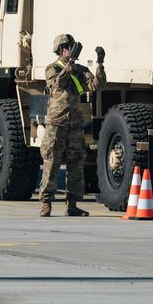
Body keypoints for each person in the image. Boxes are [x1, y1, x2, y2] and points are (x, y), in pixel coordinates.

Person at [39, 33, 106, 217]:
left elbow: (96, 85)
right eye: (68, 47)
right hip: (56, 123)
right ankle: (46, 203)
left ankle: (72, 204)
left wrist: (100, 64)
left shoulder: (80, 70)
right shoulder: (52, 68)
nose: (71, 49)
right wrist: (69, 64)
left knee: (76, 165)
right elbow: (58, 83)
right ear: (61, 50)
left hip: (75, 124)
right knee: (52, 163)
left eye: (72, 46)